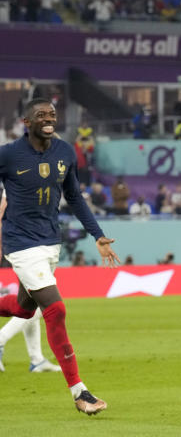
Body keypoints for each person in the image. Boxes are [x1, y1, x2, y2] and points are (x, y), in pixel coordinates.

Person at [0, 98, 120, 414]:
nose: (48, 118)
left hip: (50, 244)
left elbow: (75, 198)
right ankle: (80, 393)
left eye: (52, 114)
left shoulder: (65, 152)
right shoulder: (9, 154)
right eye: (41, 115)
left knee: (25, 310)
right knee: (55, 309)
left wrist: (98, 235)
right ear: (27, 122)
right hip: (21, 245)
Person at [0, 194, 62, 374]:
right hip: (25, 247)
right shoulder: (21, 175)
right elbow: (3, 208)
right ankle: (1, 339)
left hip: (36, 245)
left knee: (32, 302)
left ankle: (36, 359)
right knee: (42, 301)